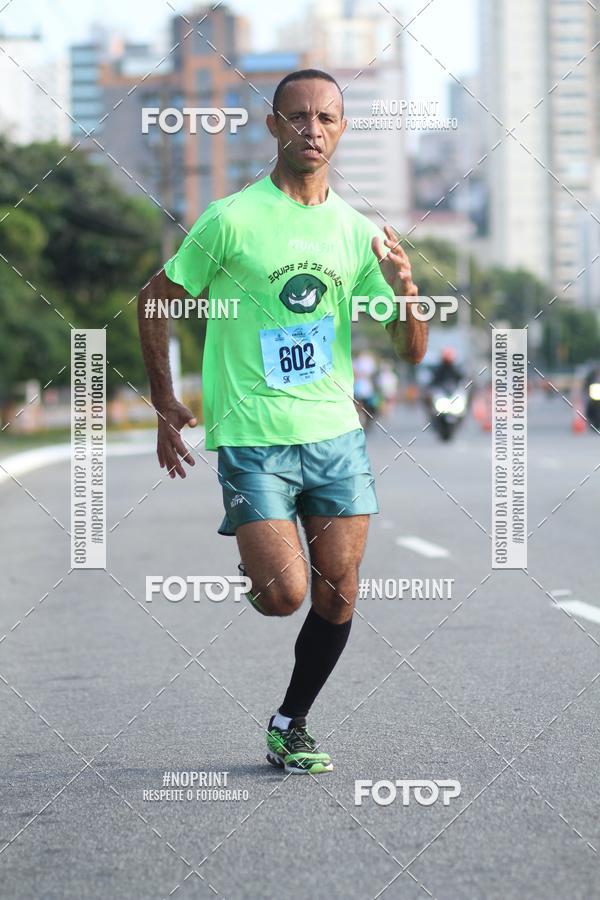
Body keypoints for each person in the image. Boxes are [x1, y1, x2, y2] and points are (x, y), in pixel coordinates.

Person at [138, 69, 428, 774]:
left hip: (333, 432)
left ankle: (290, 722)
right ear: (273, 127)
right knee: (284, 595)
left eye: (326, 118)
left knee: (340, 590)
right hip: (252, 435)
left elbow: (409, 349)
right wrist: (163, 400)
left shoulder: (358, 234)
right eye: (297, 117)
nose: (312, 130)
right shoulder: (231, 220)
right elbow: (154, 300)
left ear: (342, 129)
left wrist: (406, 292)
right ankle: (261, 558)